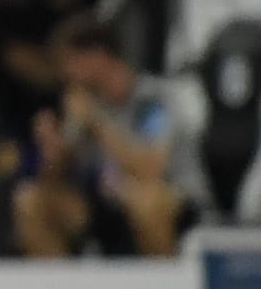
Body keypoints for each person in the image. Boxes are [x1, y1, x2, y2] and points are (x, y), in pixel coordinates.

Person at [13, 15, 198, 258]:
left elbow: (151, 170)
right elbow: (55, 178)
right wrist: (53, 148)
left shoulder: (153, 103)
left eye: (68, 62)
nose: (65, 74)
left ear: (98, 56)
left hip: (167, 199)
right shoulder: (83, 102)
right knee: (31, 201)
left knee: (146, 201)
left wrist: (98, 125)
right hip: (106, 206)